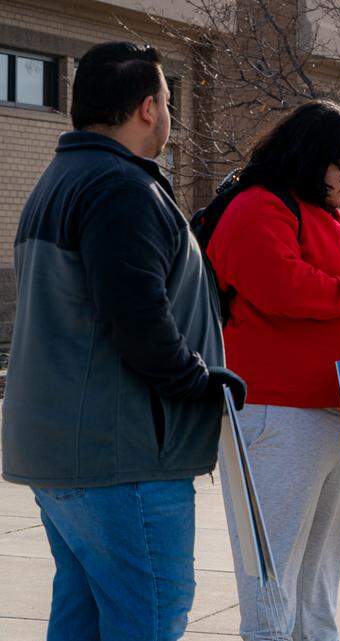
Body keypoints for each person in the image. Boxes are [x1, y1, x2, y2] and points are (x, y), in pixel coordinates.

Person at [2, 42, 246, 641]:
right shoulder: (120, 188)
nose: (169, 115)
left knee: (83, 614)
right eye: (167, 101)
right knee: (150, 616)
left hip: (68, 448)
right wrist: (198, 380)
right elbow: (136, 315)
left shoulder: (66, 179)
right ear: (146, 108)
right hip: (121, 453)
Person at [207, 101, 340, 640]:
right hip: (281, 411)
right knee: (274, 562)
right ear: (309, 156)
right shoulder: (258, 205)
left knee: (321, 563)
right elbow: (282, 287)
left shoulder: (334, 216)